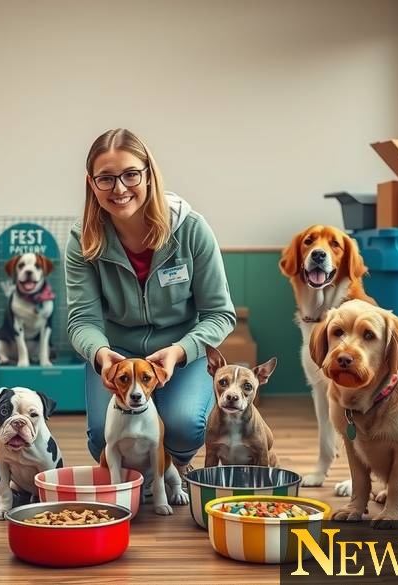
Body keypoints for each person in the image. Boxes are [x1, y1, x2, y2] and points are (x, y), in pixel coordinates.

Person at [66, 128, 236, 465]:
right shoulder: (82, 240)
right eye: (106, 178)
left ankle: (168, 468)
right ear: (91, 184)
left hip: (181, 351)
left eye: (131, 174)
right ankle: (136, 477)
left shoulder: (191, 230)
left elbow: (220, 314)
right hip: (118, 354)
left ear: (149, 175)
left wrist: (180, 351)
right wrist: (101, 354)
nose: (119, 188)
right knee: (102, 437)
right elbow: (82, 321)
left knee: (184, 426)